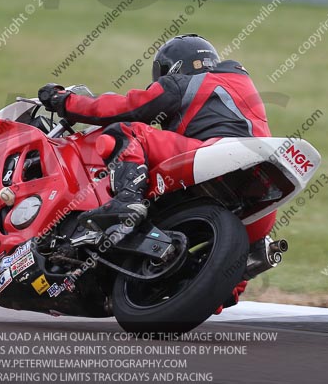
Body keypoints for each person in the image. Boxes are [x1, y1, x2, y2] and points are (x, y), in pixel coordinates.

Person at [38, 34, 276, 309]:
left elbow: (126, 108)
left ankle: (127, 201)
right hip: (259, 194)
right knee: (235, 253)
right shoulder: (241, 82)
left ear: (174, 67)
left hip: (214, 153)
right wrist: (213, 290)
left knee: (128, 132)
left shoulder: (183, 82)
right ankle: (227, 287)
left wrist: (65, 101)